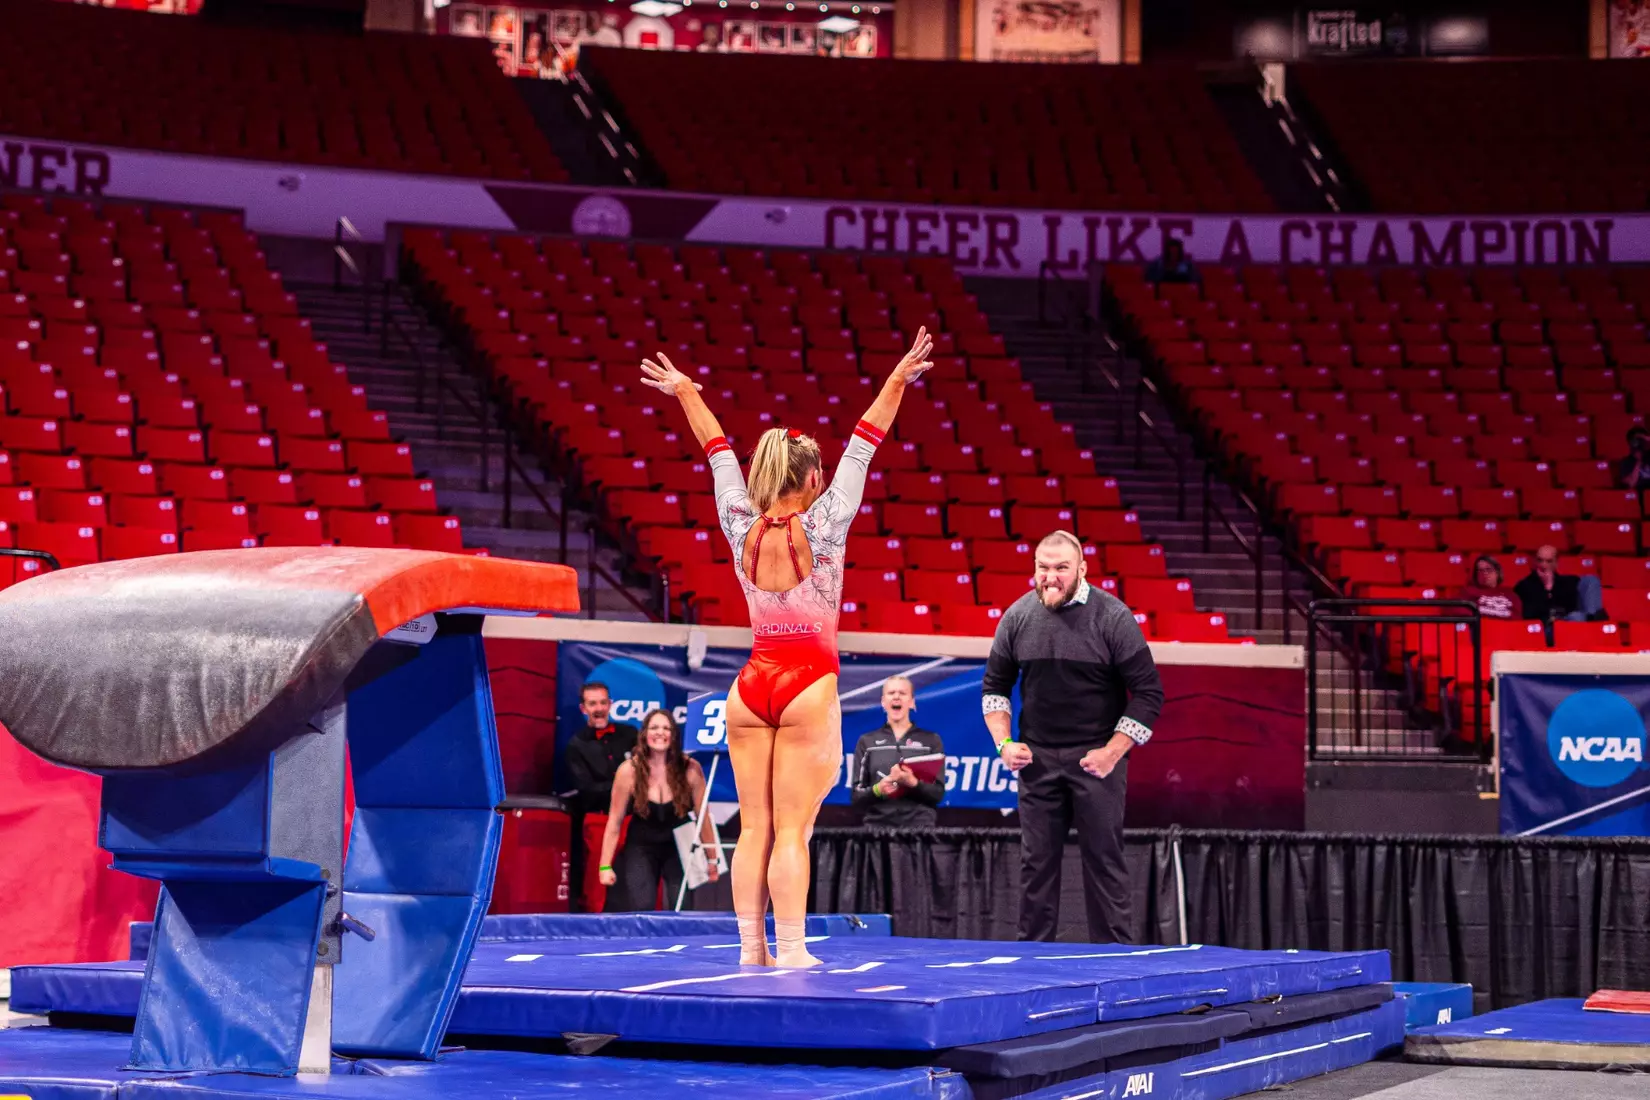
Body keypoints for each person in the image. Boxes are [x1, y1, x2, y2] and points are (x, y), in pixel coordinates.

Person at [640, 327, 934, 968]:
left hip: (751, 681)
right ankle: (794, 950)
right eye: (820, 471)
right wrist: (897, 378)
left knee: (753, 828)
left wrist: (686, 390)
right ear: (810, 478)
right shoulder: (827, 520)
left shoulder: (737, 518)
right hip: (806, 677)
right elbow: (866, 439)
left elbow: (716, 449)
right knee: (793, 829)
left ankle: (752, 949)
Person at [981, 530, 1164, 945]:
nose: (1051, 577)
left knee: (1105, 863)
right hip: (1037, 762)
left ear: (1081, 569)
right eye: (1043, 568)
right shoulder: (1017, 616)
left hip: (1096, 762)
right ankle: (1030, 964)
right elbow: (994, 689)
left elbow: (1150, 694)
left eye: (1061, 568)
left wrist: (1112, 753)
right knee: (1036, 866)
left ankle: (1115, 961)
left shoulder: (1113, 617)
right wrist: (1004, 744)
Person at [597, 709, 720, 911]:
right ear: (644, 734)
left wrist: (712, 859)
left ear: (674, 735)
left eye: (666, 728)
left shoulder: (691, 769)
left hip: (679, 846)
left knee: (681, 907)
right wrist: (605, 866)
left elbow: (703, 818)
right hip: (641, 846)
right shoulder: (628, 770)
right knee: (642, 906)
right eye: (654, 727)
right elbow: (614, 821)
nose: (659, 732)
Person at [563, 682, 636, 910]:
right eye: (593, 703)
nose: (599, 708)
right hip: (599, 820)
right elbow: (585, 788)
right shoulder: (576, 745)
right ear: (583, 708)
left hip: (633, 820)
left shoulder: (630, 735)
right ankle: (594, 930)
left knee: (638, 875)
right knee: (597, 884)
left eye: (603, 702)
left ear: (610, 704)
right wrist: (623, 787)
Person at [850, 676, 946, 827]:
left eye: (902, 693)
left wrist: (913, 783)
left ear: (912, 701)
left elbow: (938, 794)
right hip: (877, 829)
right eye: (891, 693)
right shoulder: (866, 741)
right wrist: (878, 789)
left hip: (919, 830)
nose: (896, 696)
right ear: (883, 702)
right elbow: (856, 797)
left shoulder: (931, 740)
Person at [1514, 545, 1604, 623]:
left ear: (1556, 563)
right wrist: (1548, 588)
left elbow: (1572, 606)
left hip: (1574, 620)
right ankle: (1593, 622)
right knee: (1576, 617)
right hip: (1547, 627)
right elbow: (1531, 615)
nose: (1543, 565)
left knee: (1591, 579)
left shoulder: (1568, 582)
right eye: (1540, 560)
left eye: (1548, 561)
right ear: (1534, 562)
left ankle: (1593, 619)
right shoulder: (1524, 586)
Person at [1461, 555, 1518, 619]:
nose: (1484, 573)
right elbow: (1453, 609)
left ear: (1497, 572)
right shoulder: (1468, 592)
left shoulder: (1510, 595)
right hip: (1479, 627)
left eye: (1488, 569)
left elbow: (1517, 620)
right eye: (1480, 570)